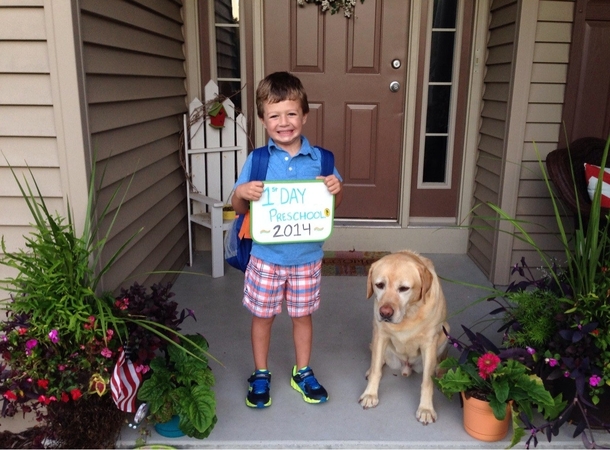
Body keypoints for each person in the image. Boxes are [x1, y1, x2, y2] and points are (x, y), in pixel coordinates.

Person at [231, 71, 343, 408]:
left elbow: (329, 204)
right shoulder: (258, 160)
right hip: (266, 257)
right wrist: (242, 192)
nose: (284, 122)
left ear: (304, 115)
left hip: (306, 258)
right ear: (263, 120)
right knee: (262, 317)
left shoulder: (321, 160)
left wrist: (337, 190)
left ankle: (303, 370)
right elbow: (237, 206)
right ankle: (261, 372)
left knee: (302, 316)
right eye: (274, 115)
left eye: (291, 113)